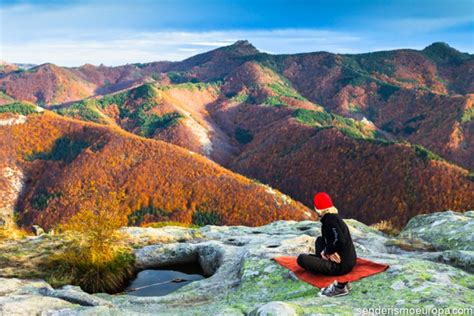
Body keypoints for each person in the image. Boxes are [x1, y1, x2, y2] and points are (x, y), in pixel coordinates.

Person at [296, 192, 357, 297]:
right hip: (347, 259)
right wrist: (331, 251)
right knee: (319, 240)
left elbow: (340, 240)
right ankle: (322, 261)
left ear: (317, 208)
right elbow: (335, 239)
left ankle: (339, 288)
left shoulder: (330, 221)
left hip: (340, 266)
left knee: (301, 259)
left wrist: (328, 251)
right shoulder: (333, 217)